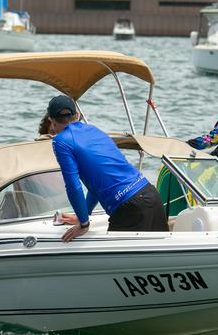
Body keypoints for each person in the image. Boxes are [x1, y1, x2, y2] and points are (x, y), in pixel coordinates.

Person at [48, 95, 168, 242]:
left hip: (130, 208)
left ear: (51, 120)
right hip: (150, 195)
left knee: (116, 265)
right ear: (77, 115)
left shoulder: (60, 141)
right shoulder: (93, 130)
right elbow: (97, 183)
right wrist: (83, 216)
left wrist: (84, 224)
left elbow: (73, 185)